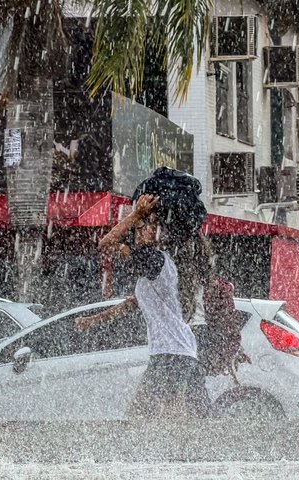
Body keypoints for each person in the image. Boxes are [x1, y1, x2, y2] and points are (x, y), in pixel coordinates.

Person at [75, 167, 211, 419]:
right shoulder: (159, 264)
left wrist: (136, 214)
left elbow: (105, 244)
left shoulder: (154, 259)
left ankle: (168, 455)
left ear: (159, 231)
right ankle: (190, 454)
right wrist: (93, 320)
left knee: (141, 415)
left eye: (144, 227)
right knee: (180, 416)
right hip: (180, 351)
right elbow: (132, 304)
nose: (138, 230)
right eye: (139, 227)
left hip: (171, 353)